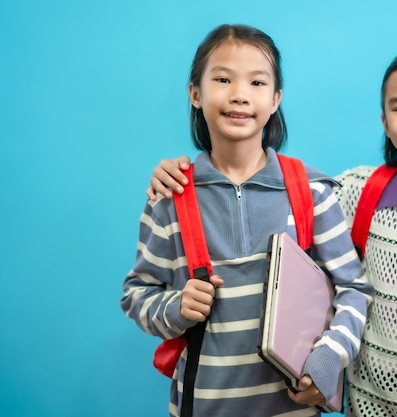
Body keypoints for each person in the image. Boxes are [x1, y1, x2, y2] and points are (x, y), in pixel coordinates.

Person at [147, 44, 397, 417]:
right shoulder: (356, 192)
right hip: (368, 406)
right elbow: (280, 194)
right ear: (385, 122)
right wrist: (185, 176)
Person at [121, 23, 373, 417]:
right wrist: (176, 307)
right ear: (195, 93)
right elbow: (137, 295)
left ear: (275, 99)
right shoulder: (169, 198)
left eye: (257, 83)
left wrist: (328, 361)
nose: (239, 95)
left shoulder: (313, 192)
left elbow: (354, 291)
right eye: (222, 79)